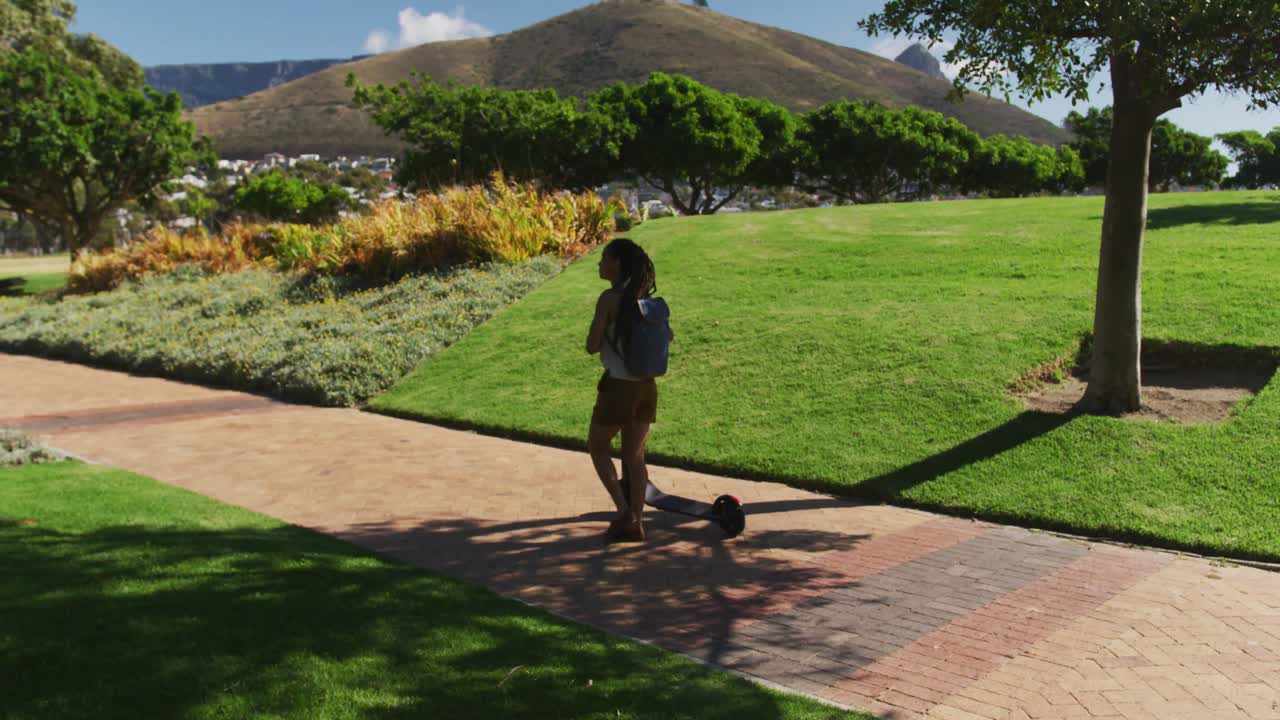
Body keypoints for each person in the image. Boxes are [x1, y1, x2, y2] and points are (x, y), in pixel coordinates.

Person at [585, 237, 669, 543]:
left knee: (597, 447)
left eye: (604, 258)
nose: (599, 263)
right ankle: (638, 522)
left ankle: (624, 513)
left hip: (618, 387)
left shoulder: (609, 299)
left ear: (617, 263)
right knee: (635, 457)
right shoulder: (648, 301)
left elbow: (592, 345)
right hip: (647, 388)